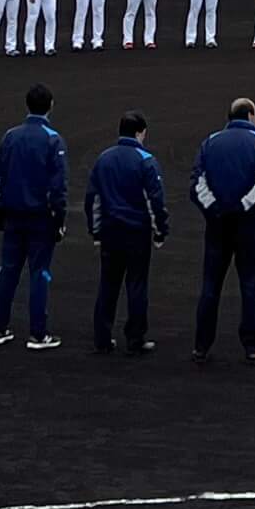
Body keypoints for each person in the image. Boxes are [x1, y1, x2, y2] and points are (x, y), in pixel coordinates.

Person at [191, 97, 255, 363]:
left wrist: (215, 208)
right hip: (248, 226)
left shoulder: (210, 142)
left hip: (216, 225)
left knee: (210, 287)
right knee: (249, 286)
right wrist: (242, 208)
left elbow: (197, 182)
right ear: (251, 115)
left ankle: (201, 345)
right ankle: (251, 344)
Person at [0, 83, 69, 349]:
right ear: (51, 106)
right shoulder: (52, 139)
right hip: (40, 217)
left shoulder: (10, 136)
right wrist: (59, 218)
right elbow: (58, 187)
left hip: (12, 214)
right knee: (39, 273)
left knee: (8, 271)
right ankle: (38, 333)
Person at [85, 109, 170, 354]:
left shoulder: (104, 159)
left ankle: (102, 337)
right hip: (136, 233)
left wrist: (96, 231)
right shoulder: (146, 161)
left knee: (108, 285)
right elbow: (155, 200)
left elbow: (93, 199)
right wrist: (160, 231)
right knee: (137, 285)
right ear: (140, 132)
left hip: (111, 232)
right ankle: (135, 338)